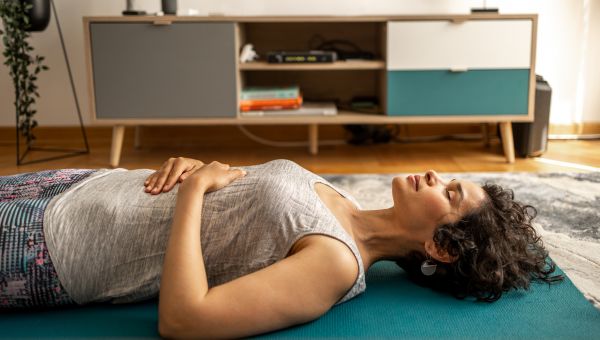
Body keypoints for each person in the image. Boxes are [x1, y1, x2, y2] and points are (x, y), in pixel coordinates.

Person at [0, 157, 564, 338]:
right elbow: (235, 202)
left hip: (49, 243)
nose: (435, 174)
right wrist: (194, 168)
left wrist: (193, 191)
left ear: (440, 247)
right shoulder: (340, 197)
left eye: (450, 191)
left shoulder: (336, 263)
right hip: (83, 186)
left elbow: (184, 318)